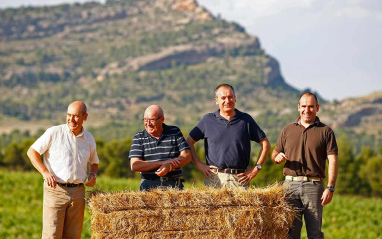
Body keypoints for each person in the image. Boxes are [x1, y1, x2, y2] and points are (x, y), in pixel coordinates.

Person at [27, 101, 99, 239]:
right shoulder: (54, 132)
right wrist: (45, 172)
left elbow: (94, 162)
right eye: (69, 115)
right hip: (55, 191)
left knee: (73, 237)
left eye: (76, 116)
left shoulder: (89, 138)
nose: (71, 119)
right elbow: (32, 152)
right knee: (51, 236)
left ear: (85, 117)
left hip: (78, 193)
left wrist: (93, 174)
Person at [271, 92, 338, 239]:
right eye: (303, 106)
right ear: (298, 107)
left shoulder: (326, 132)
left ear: (317, 108)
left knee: (315, 233)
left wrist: (330, 187)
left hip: (314, 186)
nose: (306, 110)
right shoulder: (287, 130)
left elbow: (332, 160)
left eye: (310, 107)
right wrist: (277, 158)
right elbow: (274, 154)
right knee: (289, 233)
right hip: (289, 186)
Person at [186, 84, 271, 189]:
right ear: (216, 100)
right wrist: (199, 164)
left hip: (240, 180)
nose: (227, 100)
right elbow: (189, 141)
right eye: (223, 98)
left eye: (230, 97)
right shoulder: (207, 120)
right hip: (214, 179)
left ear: (235, 98)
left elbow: (266, 144)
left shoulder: (246, 120)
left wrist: (256, 169)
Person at [129, 105, 191, 191]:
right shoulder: (139, 137)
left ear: (162, 119)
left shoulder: (174, 132)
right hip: (148, 186)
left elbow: (187, 156)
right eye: (145, 120)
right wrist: (163, 163)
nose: (148, 124)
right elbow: (135, 165)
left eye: (152, 120)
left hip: (174, 185)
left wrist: (169, 166)